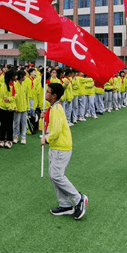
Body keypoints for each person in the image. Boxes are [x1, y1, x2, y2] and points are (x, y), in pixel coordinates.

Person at [40, 83, 87, 220]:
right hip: (56, 147)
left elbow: (57, 129)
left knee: (57, 176)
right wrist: (45, 114)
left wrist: (47, 139)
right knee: (54, 175)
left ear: (54, 96)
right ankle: (65, 204)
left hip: (61, 146)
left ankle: (78, 199)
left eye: (48, 92)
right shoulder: (53, 108)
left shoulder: (57, 109)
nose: (46, 93)